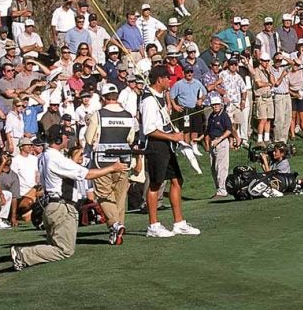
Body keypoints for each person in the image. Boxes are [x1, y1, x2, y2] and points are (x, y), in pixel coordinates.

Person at [10, 124, 128, 271]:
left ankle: (25, 259)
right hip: (61, 207)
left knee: (53, 248)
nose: (68, 139)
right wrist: (112, 168)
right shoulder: (56, 158)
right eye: (66, 136)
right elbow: (86, 174)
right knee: (64, 250)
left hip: (51, 206)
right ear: (59, 139)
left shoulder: (44, 156)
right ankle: (23, 254)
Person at [140, 65, 199, 238]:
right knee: (156, 184)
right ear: (160, 79)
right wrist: (172, 137)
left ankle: (179, 223)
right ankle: (153, 225)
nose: (171, 81)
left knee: (177, 180)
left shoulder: (158, 96)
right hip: (156, 145)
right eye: (168, 78)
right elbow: (149, 129)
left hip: (167, 144)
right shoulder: (149, 100)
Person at [83, 82, 137, 245]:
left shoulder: (98, 115)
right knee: (120, 198)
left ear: (103, 98)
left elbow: (88, 139)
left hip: (103, 161)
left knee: (103, 194)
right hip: (124, 160)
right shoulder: (128, 115)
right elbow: (131, 139)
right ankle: (117, 232)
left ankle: (115, 224)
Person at [204, 93, 235, 199]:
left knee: (221, 167)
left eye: (217, 104)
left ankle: (222, 190)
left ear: (221, 105)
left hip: (221, 143)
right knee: (214, 168)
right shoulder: (211, 116)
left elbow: (229, 130)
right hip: (213, 143)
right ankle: (219, 189)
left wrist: (220, 139)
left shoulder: (224, 115)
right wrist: (205, 142)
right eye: (213, 105)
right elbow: (208, 131)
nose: (215, 106)